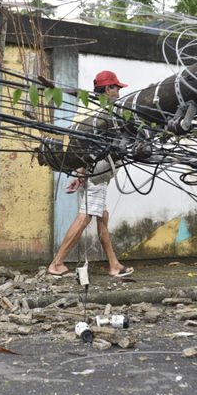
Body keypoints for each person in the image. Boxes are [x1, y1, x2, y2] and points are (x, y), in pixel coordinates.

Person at [47, 70, 134, 278]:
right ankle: (57, 263)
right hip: (98, 171)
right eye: (116, 88)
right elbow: (93, 146)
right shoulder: (102, 113)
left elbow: (83, 146)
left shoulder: (85, 109)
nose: (119, 93)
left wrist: (79, 173)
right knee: (86, 215)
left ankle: (114, 264)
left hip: (92, 170)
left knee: (102, 216)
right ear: (107, 89)